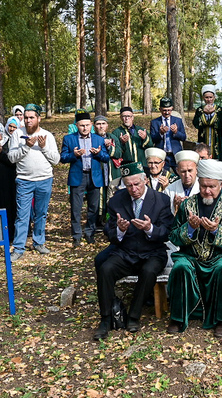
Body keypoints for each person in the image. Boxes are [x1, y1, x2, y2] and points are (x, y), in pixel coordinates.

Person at [93, 162, 173, 340]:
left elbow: (167, 232)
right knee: (106, 269)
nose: (133, 189)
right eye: (129, 185)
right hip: (126, 252)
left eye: (137, 184)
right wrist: (120, 230)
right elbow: (109, 232)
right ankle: (106, 318)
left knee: (149, 271)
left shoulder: (161, 200)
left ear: (145, 180)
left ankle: (134, 316)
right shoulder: (117, 200)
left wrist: (150, 228)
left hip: (153, 251)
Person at [166, 159, 222, 336]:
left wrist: (216, 230)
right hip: (190, 256)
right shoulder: (187, 205)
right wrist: (189, 228)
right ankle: (178, 317)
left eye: (212, 187)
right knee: (181, 267)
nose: (207, 191)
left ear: (221, 185)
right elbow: (173, 236)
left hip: (221, 255)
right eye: (203, 186)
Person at [8, 104, 60, 261]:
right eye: (26, 118)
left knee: (41, 213)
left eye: (31, 117)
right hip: (24, 180)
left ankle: (39, 242)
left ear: (39, 118)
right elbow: (11, 158)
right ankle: (19, 247)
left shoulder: (47, 136)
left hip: (44, 179)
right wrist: (26, 147)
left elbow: (56, 160)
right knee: (22, 215)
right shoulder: (17, 134)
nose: (28, 120)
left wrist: (43, 148)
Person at [60, 110, 110, 247]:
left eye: (87, 125)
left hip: (94, 177)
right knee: (76, 208)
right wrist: (74, 155)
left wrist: (98, 154)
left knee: (93, 207)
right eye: (82, 125)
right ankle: (76, 235)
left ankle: (90, 233)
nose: (85, 128)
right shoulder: (69, 139)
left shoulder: (98, 139)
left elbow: (106, 158)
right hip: (78, 176)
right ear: (76, 125)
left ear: (91, 125)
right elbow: (63, 158)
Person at [150, 97, 186, 170]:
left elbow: (184, 137)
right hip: (162, 155)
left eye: (169, 110)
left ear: (172, 108)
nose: (167, 112)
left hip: (175, 154)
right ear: (160, 109)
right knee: (163, 175)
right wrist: (160, 133)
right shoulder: (155, 122)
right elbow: (152, 139)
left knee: (179, 174)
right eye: (164, 110)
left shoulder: (178, 120)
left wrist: (176, 132)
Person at [193, 84, 222, 160]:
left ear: (214, 97)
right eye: (207, 97)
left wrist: (213, 114)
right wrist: (205, 114)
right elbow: (196, 124)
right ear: (203, 98)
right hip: (203, 139)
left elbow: (221, 124)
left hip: (216, 140)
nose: (209, 99)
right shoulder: (199, 110)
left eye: (211, 97)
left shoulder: (220, 110)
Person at [0, 117, 19, 242]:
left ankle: (10, 235)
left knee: (9, 208)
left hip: (8, 181)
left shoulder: (10, 143)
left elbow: (13, 161)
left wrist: (1, 153)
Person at [164, 151, 200, 215]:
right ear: (177, 171)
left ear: (196, 170)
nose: (187, 175)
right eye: (183, 171)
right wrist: (176, 207)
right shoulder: (169, 190)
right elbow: (166, 215)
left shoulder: (203, 188)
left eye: (190, 170)